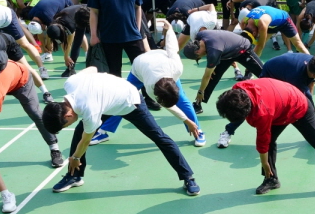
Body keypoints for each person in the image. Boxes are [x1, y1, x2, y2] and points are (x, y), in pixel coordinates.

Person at [42, 69, 199, 197]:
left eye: (65, 125)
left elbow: (85, 141)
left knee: (160, 137)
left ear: (67, 115)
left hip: (130, 102)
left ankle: (188, 177)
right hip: (108, 102)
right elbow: (93, 69)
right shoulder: (70, 83)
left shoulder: (90, 110)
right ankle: (74, 176)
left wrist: (75, 158)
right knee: (79, 132)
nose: (68, 124)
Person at [214, 77, 315, 198]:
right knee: (270, 143)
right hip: (279, 108)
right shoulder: (236, 91)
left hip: (299, 107)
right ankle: (271, 179)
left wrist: (264, 163)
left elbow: (262, 142)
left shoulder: (262, 113)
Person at [92, 25, 205, 147]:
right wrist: (186, 121)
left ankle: (197, 131)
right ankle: (103, 131)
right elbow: (169, 106)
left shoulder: (177, 68)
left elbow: (172, 48)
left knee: (182, 99)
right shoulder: (151, 88)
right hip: (140, 68)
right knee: (123, 100)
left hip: (163, 64)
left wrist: (169, 30)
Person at [215, 50, 315, 148]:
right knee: (244, 105)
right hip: (270, 73)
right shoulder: (297, 77)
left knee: (310, 107)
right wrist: (311, 106)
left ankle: (314, 135)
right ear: (313, 73)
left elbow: (310, 84)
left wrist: (311, 105)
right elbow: (304, 96)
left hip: (285, 71)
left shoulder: (314, 63)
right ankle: (228, 131)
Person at [86, 0, 149, 76]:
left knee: (143, 69)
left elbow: (138, 7)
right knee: (114, 74)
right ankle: (117, 96)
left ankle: (147, 95)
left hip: (132, 35)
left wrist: (137, 28)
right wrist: (93, 35)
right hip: (109, 37)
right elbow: (94, 12)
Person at [187, 27, 264, 109]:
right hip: (225, 54)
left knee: (263, 74)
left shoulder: (214, 52)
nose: (200, 58)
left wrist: (200, 91)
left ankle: (277, 90)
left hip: (243, 50)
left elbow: (206, 76)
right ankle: (198, 104)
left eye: (198, 57)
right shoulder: (199, 36)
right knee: (213, 77)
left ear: (197, 51)